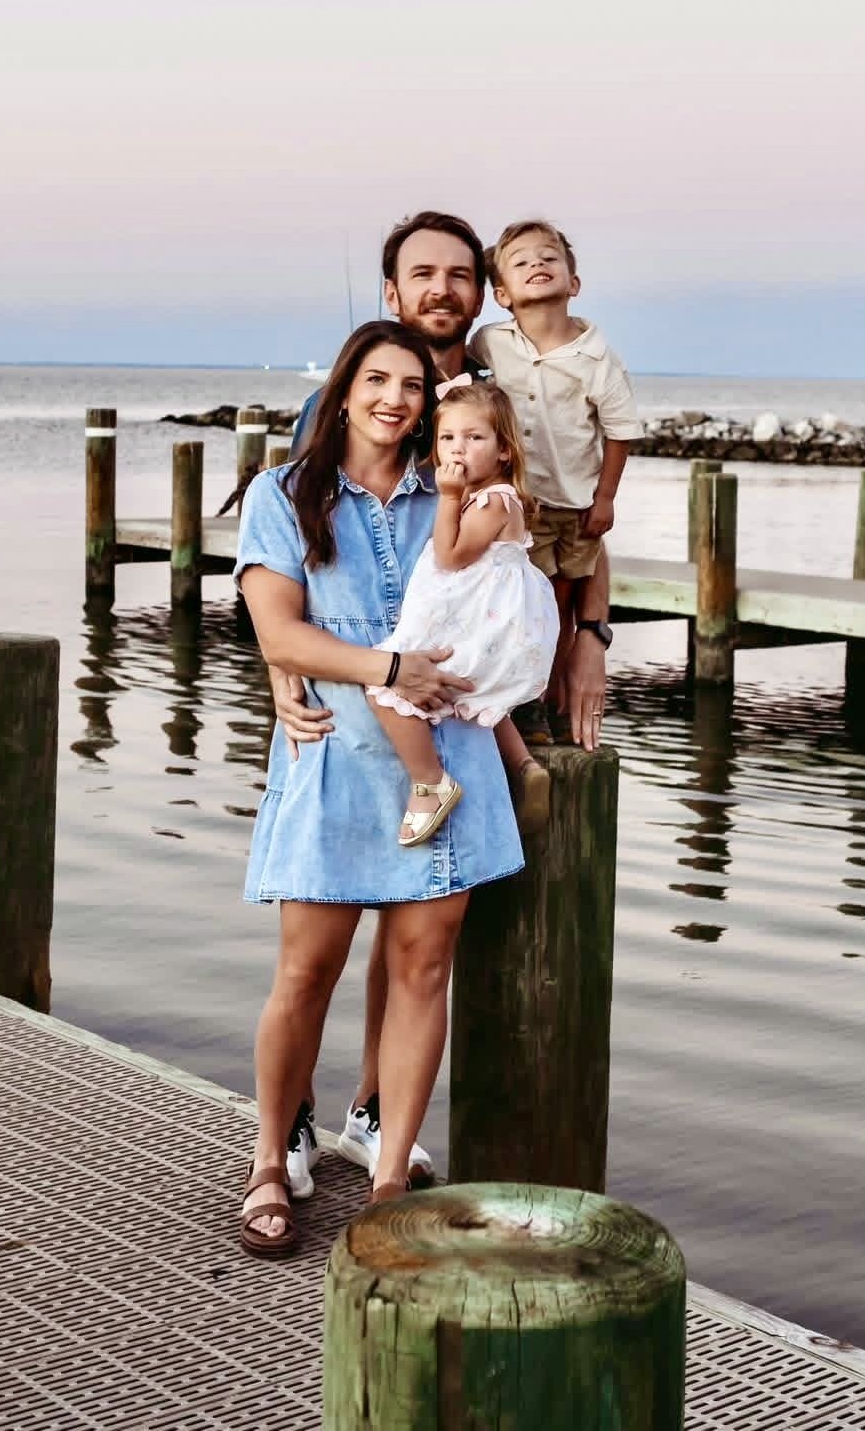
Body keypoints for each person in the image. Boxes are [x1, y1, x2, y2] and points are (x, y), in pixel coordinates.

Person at [271, 212, 617, 1199]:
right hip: (359, 687)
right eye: (421, 274)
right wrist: (282, 667)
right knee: (323, 927)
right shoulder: (354, 394)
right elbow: (291, 537)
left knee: (420, 921)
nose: (442, 288)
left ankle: (376, 1110)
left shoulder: (499, 386)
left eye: (459, 274)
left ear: (484, 291)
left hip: (468, 678)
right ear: (390, 292)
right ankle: (287, 1121)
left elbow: (572, 512)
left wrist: (589, 635)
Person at [233, 321, 523, 1257]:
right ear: (345, 388)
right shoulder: (286, 496)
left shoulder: (458, 493)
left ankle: (390, 1172)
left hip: (449, 766)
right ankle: (272, 1159)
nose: (396, 398)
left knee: (421, 970)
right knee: (305, 972)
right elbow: (281, 634)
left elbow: (509, 598)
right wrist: (384, 664)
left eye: (413, 384)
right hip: (333, 757)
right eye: (377, 379)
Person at [365, 375, 560, 844]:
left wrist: (448, 496)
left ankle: (430, 781)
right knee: (481, 707)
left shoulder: (492, 501)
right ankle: (524, 767)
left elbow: (451, 556)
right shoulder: (491, 499)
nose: (458, 449)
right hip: (487, 621)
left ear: (504, 450)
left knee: (384, 685)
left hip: (479, 625)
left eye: (474, 438)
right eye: (448, 437)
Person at [472, 219, 640, 720]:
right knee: (522, 602)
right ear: (502, 293)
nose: (537, 265)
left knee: (560, 606)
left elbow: (620, 429)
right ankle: (516, 697)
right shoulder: (490, 343)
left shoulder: (596, 357)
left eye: (549, 258)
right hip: (518, 501)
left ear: (574, 283)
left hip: (574, 505)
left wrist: (605, 498)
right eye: (521, 262)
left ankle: (547, 698)